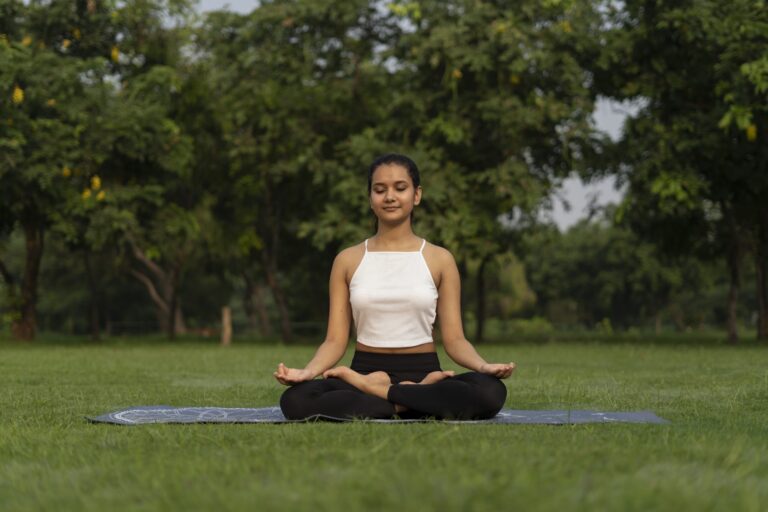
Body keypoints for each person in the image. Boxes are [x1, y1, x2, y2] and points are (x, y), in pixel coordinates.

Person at [275, 154, 516, 420]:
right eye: (380, 190)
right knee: (296, 401)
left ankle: (385, 394)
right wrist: (308, 372)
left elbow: (455, 340)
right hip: (364, 372)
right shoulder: (347, 259)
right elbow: (335, 340)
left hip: (424, 372)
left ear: (416, 195)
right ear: (370, 198)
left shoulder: (440, 259)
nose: (390, 197)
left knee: (490, 391)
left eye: (400, 188)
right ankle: (412, 399)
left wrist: (483, 366)